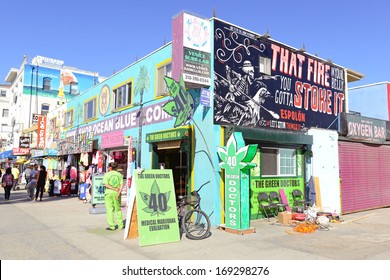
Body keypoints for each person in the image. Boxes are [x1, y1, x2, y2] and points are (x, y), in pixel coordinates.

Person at [102, 162, 124, 231]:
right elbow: (121, 185)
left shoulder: (107, 175)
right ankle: (120, 225)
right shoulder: (119, 175)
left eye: (108, 167)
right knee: (118, 209)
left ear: (110, 168)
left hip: (109, 193)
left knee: (109, 210)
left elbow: (106, 185)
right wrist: (118, 193)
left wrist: (113, 188)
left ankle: (112, 226)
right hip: (117, 193)